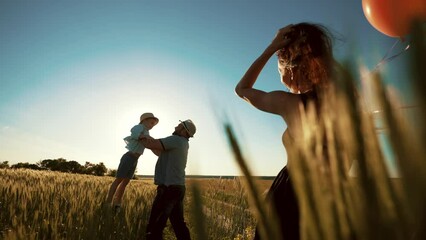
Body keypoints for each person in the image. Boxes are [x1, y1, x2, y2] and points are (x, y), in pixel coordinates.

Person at [235, 23, 337, 240]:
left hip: (292, 197)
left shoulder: (290, 102)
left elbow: (242, 89)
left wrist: (271, 47)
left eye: (279, 67)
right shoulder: (346, 101)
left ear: (289, 67)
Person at [139, 119, 196, 240]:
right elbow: (158, 151)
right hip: (177, 188)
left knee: (154, 227)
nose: (176, 126)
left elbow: (151, 145)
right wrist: (148, 139)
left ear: (184, 131)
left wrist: (139, 135)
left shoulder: (175, 140)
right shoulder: (182, 143)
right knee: (179, 225)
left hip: (168, 189)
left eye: (179, 126)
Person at [106, 112, 159, 212]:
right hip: (129, 157)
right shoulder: (139, 127)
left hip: (135, 160)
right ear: (144, 121)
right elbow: (134, 133)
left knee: (125, 182)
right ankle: (108, 203)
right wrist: (144, 137)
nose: (152, 126)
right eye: (151, 123)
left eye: (153, 124)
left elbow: (149, 142)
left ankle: (117, 204)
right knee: (118, 180)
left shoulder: (147, 132)